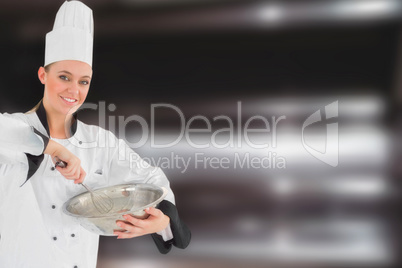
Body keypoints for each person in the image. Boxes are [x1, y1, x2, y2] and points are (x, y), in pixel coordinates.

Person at [0, 1, 191, 267]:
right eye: (64, 77)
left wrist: (163, 220)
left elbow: (152, 180)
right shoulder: (13, 128)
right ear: (43, 74)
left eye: (83, 81)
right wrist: (52, 148)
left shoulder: (100, 142)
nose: (73, 90)